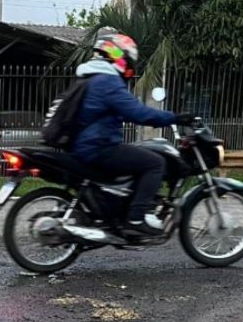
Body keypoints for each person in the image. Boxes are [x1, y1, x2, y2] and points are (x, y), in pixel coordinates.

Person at [73, 30, 195, 238]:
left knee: (137, 158)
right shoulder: (108, 82)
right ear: (120, 57)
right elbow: (137, 112)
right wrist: (173, 117)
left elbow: (122, 111)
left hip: (86, 145)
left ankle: (124, 209)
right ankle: (136, 219)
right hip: (99, 147)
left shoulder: (91, 79)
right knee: (155, 163)